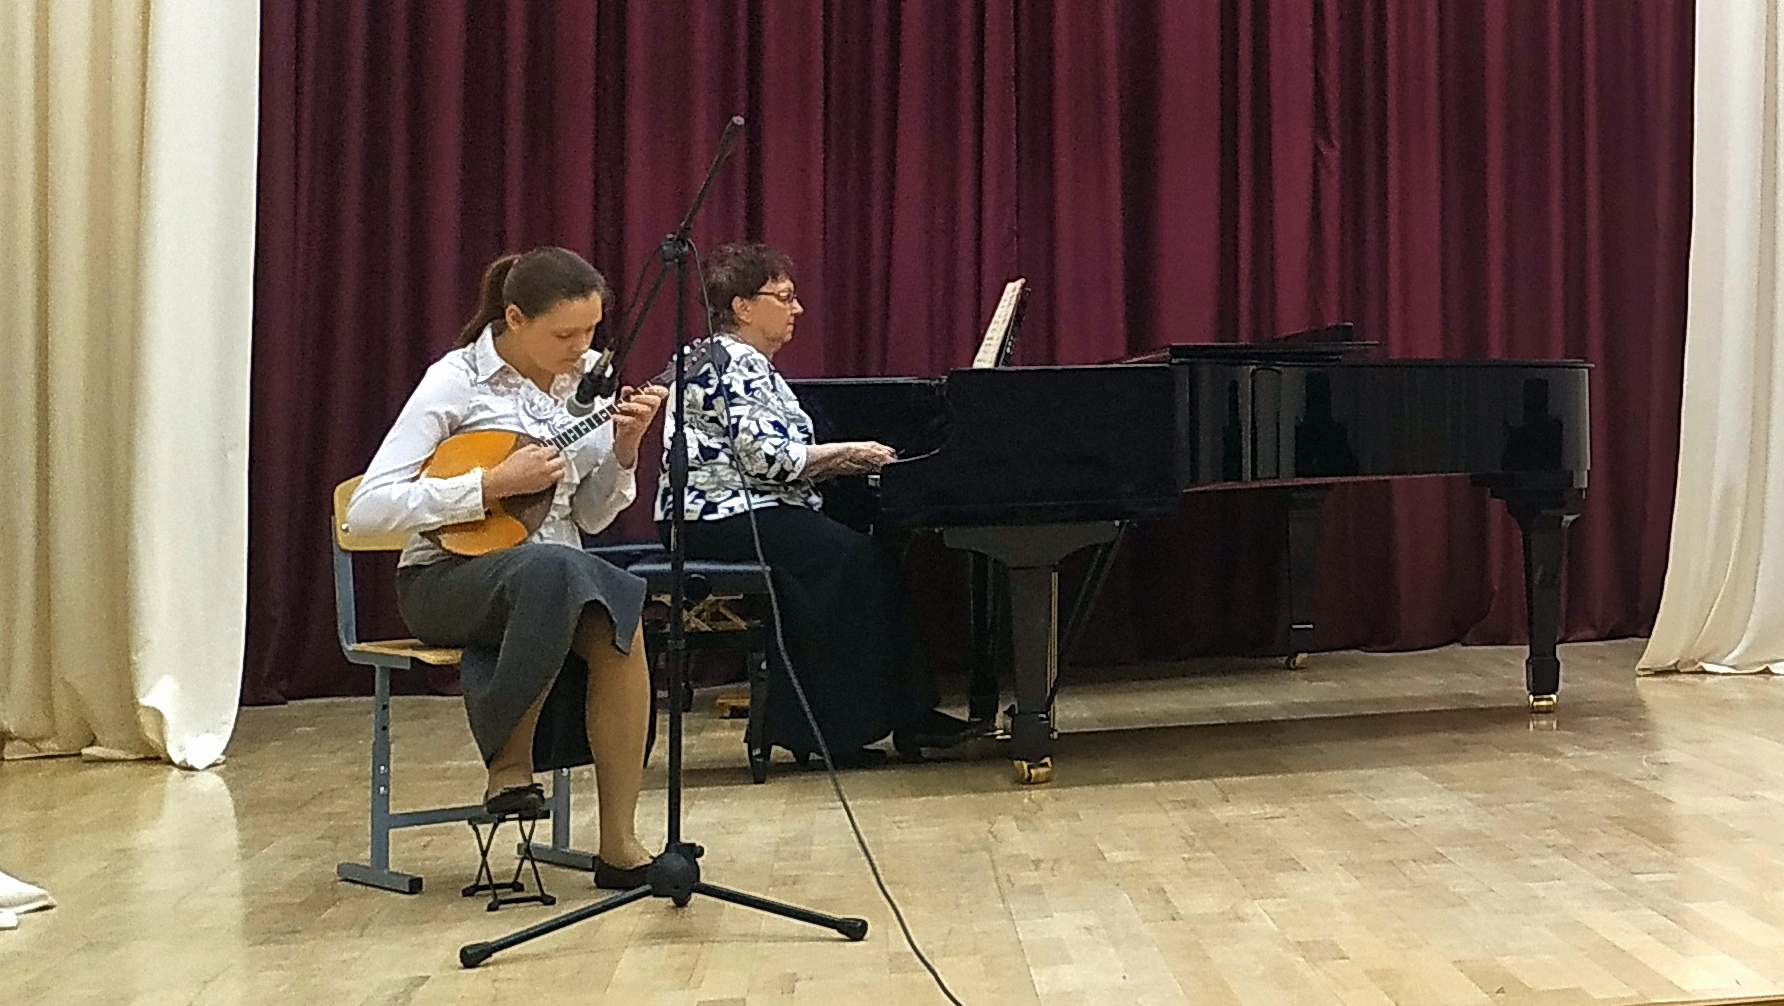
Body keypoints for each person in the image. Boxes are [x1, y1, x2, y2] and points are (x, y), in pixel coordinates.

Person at [347, 246, 668, 889]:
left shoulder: (586, 388)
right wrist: (488, 486)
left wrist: (625, 450)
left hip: (552, 579)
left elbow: (592, 517)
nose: (583, 348)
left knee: (619, 611)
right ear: (515, 318)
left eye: (591, 331)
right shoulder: (456, 380)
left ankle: (619, 844)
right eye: (565, 335)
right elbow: (366, 512)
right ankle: (508, 764)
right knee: (554, 570)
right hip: (445, 580)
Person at [656, 241, 970, 768]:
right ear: (742, 307)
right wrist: (848, 454)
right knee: (853, 561)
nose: (798, 309)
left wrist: (835, 462)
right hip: (716, 515)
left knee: (865, 556)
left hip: (728, 509)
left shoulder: (725, 357)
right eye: (784, 297)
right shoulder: (734, 362)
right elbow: (766, 458)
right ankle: (834, 733)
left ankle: (895, 716)